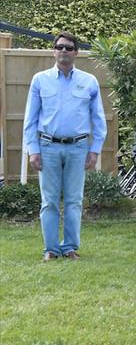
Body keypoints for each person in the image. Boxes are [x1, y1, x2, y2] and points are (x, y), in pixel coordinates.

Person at [23, 32, 107, 261]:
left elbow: (98, 119)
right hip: (47, 147)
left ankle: (69, 247)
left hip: (78, 148)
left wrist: (95, 149)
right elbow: (30, 119)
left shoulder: (89, 81)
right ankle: (50, 249)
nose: (63, 51)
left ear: (76, 53)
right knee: (49, 200)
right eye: (59, 47)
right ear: (54, 50)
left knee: (74, 200)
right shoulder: (40, 80)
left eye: (69, 48)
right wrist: (33, 149)